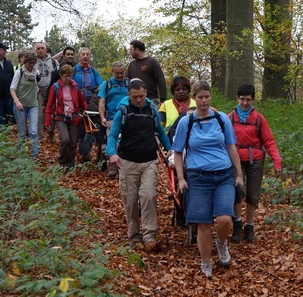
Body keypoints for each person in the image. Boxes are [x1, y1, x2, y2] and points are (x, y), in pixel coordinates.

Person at [172, 80, 243, 277]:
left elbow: (231, 147)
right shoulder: (187, 122)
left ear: (211, 96)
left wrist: (239, 174)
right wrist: (181, 179)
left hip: (223, 175)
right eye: (200, 97)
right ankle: (206, 261)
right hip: (198, 176)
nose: (204, 101)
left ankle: (221, 243)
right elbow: (177, 152)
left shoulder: (221, 119)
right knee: (203, 223)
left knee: (224, 219)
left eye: (207, 96)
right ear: (194, 99)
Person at [106, 79, 171, 251]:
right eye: (135, 97)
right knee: (131, 200)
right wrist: (112, 153)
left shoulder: (151, 110)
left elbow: (160, 132)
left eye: (142, 96)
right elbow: (112, 135)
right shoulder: (123, 111)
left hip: (149, 161)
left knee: (148, 196)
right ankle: (134, 235)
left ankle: (149, 235)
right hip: (128, 162)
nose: (139, 100)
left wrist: (171, 150)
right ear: (129, 96)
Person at [229, 84, 282, 242]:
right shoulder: (229, 118)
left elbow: (269, 141)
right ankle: (237, 224)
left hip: (255, 160)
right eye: (242, 99)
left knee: (253, 194)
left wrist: (276, 161)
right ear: (237, 99)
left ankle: (249, 226)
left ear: (253, 100)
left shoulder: (259, 119)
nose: (245, 103)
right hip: (235, 160)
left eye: (248, 100)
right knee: (237, 192)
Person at [44, 64, 87, 169]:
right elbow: (49, 105)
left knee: (73, 142)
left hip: (74, 116)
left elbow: (81, 100)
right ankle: (62, 161)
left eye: (69, 76)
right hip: (60, 117)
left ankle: (70, 163)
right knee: (65, 140)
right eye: (66, 76)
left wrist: (86, 109)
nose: (68, 78)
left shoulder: (75, 86)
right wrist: (47, 121)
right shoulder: (55, 87)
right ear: (61, 76)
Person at [98, 61, 129, 177]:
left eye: (122, 73)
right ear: (112, 72)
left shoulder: (129, 84)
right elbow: (102, 102)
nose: (120, 75)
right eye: (117, 73)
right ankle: (112, 171)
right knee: (113, 144)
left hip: (128, 118)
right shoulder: (107, 84)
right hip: (111, 118)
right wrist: (102, 118)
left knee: (126, 144)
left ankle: (125, 170)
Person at [11, 51, 40, 158]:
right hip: (21, 106)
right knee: (22, 132)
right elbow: (12, 89)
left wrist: (35, 90)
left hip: (33, 105)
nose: (31, 65)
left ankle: (35, 155)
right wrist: (17, 102)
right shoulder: (19, 72)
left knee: (33, 131)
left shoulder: (36, 73)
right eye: (29, 63)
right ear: (25, 62)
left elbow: (36, 86)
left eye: (33, 63)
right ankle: (21, 155)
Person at [127, 40, 167, 105]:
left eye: (131, 50)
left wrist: (162, 100)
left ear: (136, 49)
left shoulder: (152, 62)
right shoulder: (131, 64)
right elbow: (127, 82)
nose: (130, 52)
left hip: (152, 100)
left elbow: (161, 81)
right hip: (135, 101)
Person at [33, 42, 58, 143]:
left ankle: (51, 132)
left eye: (42, 48)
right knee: (39, 115)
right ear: (35, 50)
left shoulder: (53, 61)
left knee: (54, 113)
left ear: (46, 50)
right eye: (38, 48)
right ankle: (40, 137)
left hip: (51, 90)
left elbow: (58, 75)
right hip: (38, 91)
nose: (40, 50)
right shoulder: (33, 61)